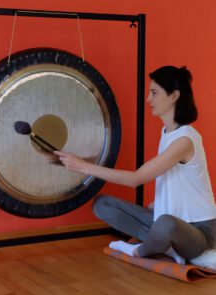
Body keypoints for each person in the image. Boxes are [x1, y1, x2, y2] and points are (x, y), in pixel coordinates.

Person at [54, 66, 216, 264]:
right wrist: (160, 202)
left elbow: (136, 179)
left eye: (154, 93)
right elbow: (178, 180)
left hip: (199, 232)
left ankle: (139, 251)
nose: (148, 99)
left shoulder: (185, 140)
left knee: (165, 224)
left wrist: (83, 166)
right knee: (102, 204)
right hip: (171, 220)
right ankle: (164, 246)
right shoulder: (167, 132)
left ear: (174, 96)